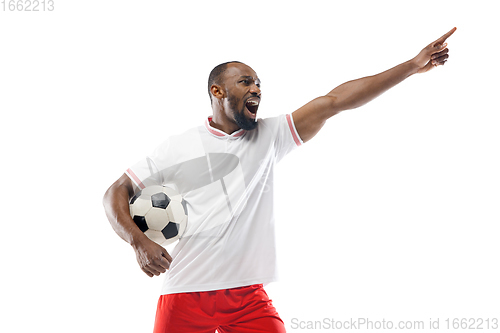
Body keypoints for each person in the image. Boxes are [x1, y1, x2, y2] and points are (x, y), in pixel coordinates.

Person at [103, 27, 456, 333]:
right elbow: (116, 192)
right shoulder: (178, 146)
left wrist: (411, 66)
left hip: (247, 296)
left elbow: (334, 102)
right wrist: (138, 243)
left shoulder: (271, 135)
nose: (256, 88)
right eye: (245, 81)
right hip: (186, 290)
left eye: (258, 83)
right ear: (218, 92)